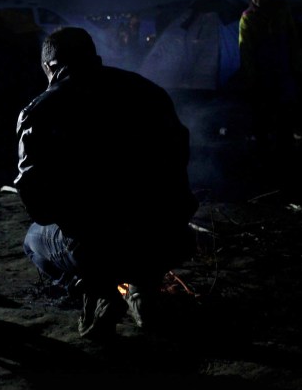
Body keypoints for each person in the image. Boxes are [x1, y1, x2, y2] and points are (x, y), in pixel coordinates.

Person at [14, 27, 198, 338]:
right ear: (93, 55)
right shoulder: (147, 91)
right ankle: (142, 291)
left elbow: (39, 206)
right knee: (144, 227)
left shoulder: (40, 110)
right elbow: (178, 163)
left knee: (34, 240)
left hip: (99, 246)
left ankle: (97, 290)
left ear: (50, 67)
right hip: (170, 237)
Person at [237, 0, 302, 191]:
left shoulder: (281, 11)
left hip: (283, 74)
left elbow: (292, 40)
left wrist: (299, 67)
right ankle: (266, 170)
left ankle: (287, 166)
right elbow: (245, 51)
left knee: (285, 120)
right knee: (263, 122)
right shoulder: (247, 18)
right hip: (262, 77)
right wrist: (250, 79)